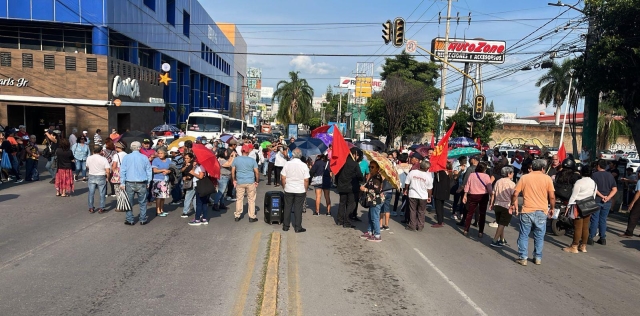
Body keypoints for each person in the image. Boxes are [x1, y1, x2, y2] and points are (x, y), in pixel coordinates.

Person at [510, 159, 555, 266]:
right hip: (541, 211)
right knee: (539, 236)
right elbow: (552, 196)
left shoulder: (525, 177)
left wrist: (512, 203)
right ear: (543, 168)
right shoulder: (547, 179)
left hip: (527, 210)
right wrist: (552, 208)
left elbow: (515, 193)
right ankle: (538, 257)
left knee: (524, 234)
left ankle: (523, 257)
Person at [564, 166, 597, 253]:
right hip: (589, 205)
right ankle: (583, 246)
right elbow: (594, 195)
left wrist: (568, 206)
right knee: (585, 227)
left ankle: (574, 246)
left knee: (577, 227)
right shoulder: (593, 182)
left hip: (577, 205)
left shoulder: (579, 182)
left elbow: (574, 196)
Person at [120, 141, 153, 226]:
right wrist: (149, 181)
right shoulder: (144, 157)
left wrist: (122, 183)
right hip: (142, 182)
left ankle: (130, 219)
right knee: (142, 202)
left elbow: (122, 171)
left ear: (131, 148)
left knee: (129, 202)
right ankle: (143, 219)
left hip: (129, 182)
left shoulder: (126, 157)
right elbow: (149, 170)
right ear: (139, 148)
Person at [588, 159, 618, 246]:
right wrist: (608, 197)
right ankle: (602, 238)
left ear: (598, 165)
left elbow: (594, 188)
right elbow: (614, 189)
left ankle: (591, 237)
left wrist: (602, 196)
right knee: (603, 220)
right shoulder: (610, 176)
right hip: (607, 202)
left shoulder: (594, 175)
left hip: (597, 200)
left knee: (594, 219)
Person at [281, 148, 310, 233]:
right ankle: (298, 227)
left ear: (292, 155)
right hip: (300, 189)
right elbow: (306, 180)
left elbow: (283, 177)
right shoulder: (304, 165)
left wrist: (284, 186)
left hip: (289, 188)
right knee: (298, 208)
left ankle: (285, 226)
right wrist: (306, 189)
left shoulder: (287, 164)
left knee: (287, 207)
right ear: (300, 156)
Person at [462, 162, 493, 237]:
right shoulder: (486, 176)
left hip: (472, 195)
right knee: (482, 214)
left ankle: (466, 229)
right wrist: (492, 196)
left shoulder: (472, 175)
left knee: (470, 213)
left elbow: (467, 185)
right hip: (483, 196)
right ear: (484, 169)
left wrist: (465, 195)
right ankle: (480, 232)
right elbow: (489, 188)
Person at [335, 148, 364, 228]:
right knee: (351, 204)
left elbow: (337, 174)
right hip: (351, 187)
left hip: (342, 186)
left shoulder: (342, 162)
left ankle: (339, 220)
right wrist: (362, 180)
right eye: (357, 155)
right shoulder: (354, 164)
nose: (358, 157)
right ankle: (347, 222)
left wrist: (337, 183)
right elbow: (360, 175)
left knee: (342, 203)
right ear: (354, 154)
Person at [231, 143, 260, 222]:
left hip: (240, 181)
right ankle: (251, 216)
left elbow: (233, 171)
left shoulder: (236, 159)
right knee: (251, 199)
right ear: (248, 152)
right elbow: (257, 172)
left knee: (239, 199)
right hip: (250, 181)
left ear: (241, 151)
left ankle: (237, 215)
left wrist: (234, 179)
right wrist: (257, 181)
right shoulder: (252, 160)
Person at [489, 166, 515, 247]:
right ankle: (494, 240)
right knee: (502, 224)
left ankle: (502, 239)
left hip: (497, 204)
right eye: (512, 173)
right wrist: (514, 205)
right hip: (506, 205)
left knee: (501, 223)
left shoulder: (498, 181)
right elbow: (514, 196)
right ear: (509, 174)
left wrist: (491, 203)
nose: (513, 174)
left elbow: (493, 193)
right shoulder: (512, 184)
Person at [359, 161, 385, 242]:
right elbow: (369, 185)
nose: (370, 168)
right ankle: (370, 232)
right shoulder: (372, 176)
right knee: (370, 216)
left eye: (372, 167)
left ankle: (377, 235)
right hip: (372, 200)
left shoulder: (377, 177)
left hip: (376, 200)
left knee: (374, 217)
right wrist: (364, 185)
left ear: (377, 168)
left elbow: (376, 190)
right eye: (370, 166)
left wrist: (366, 189)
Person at [404, 160, 433, 231]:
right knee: (421, 211)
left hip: (413, 194)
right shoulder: (428, 176)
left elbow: (407, 182)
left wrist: (406, 189)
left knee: (412, 210)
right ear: (427, 168)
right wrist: (429, 196)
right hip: (423, 196)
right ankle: (420, 226)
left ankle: (412, 226)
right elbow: (429, 188)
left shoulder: (412, 172)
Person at [186, 152, 212, 226]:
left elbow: (201, 176)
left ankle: (197, 219)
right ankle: (204, 218)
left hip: (200, 186)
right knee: (204, 203)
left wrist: (193, 172)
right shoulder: (199, 166)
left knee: (199, 203)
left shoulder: (201, 167)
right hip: (200, 186)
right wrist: (193, 167)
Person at [86, 145, 111, 214]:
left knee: (91, 193)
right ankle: (101, 208)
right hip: (101, 176)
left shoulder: (89, 158)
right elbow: (108, 170)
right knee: (102, 193)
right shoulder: (103, 159)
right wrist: (107, 178)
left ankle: (91, 207)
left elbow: (87, 166)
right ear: (101, 151)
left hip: (92, 175)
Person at [619, 167, 640, 238]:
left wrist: (632, 202)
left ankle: (629, 232)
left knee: (633, 216)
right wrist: (627, 180)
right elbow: (634, 181)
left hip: (638, 200)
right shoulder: (638, 181)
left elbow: (638, 193)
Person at [151, 147, 172, 218]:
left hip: (165, 179)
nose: (160, 155)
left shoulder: (168, 160)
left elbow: (171, 169)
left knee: (163, 196)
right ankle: (158, 211)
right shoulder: (155, 160)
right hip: (158, 180)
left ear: (165, 153)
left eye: (161, 153)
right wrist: (163, 170)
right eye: (159, 153)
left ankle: (162, 209)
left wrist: (168, 171)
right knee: (158, 196)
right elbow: (154, 170)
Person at [431, 163, 451, 228]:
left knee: (438, 207)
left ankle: (439, 222)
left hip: (439, 192)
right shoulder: (448, 172)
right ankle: (441, 221)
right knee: (441, 207)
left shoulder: (440, 172)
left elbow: (437, 181)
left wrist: (436, 173)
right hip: (444, 192)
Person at [111, 141, 128, 212]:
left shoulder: (116, 155)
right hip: (126, 173)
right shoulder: (127, 155)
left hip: (118, 173)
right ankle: (125, 204)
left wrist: (113, 171)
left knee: (118, 190)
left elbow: (114, 166)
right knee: (124, 190)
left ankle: (120, 206)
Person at [180, 153, 197, 218]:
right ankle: (197, 211)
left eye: (187, 158)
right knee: (194, 198)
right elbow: (181, 170)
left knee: (188, 197)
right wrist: (186, 166)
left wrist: (186, 177)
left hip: (191, 182)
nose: (186, 159)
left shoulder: (193, 164)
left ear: (191, 158)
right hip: (188, 182)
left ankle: (185, 212)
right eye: (185, 158)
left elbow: (190, 175)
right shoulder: (186, 164)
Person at [451, 156, 468, 220]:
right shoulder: (457, 167)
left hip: (464, 186)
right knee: (456, 200)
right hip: (457, 186)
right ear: (460, 161)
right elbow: (455, 177)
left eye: (465, 160)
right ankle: (454, 213)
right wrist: (461, 171)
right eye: (464, 160)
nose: (465, 161)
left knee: (462, 201)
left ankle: (461, 213)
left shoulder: (467, 168)